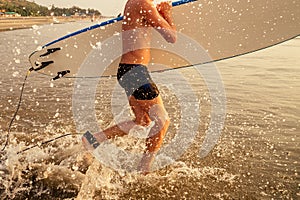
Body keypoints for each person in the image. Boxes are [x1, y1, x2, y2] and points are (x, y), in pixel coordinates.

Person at [82, 0, 177, 174]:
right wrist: (166, 12)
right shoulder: (143, 3)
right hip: (136, 72)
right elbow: (171, 37)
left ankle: (94, 139)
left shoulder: (132, 3)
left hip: (127, 70)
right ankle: (144, 168)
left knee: (142, 121)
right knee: (163, 121)